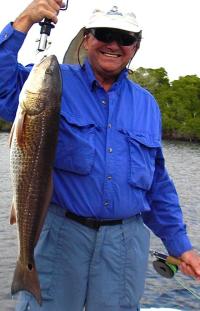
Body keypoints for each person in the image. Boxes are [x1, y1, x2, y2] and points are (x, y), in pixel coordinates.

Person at [0, 0, 200, 310]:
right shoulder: (54, 80)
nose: (114, 44)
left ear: (135, 47)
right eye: (104, 34)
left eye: (125, 38)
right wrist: (25, 19)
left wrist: (180, 246)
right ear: (86, 39)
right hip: (60, 236)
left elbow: (157, 184)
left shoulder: (147, 105)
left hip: (124, 245)